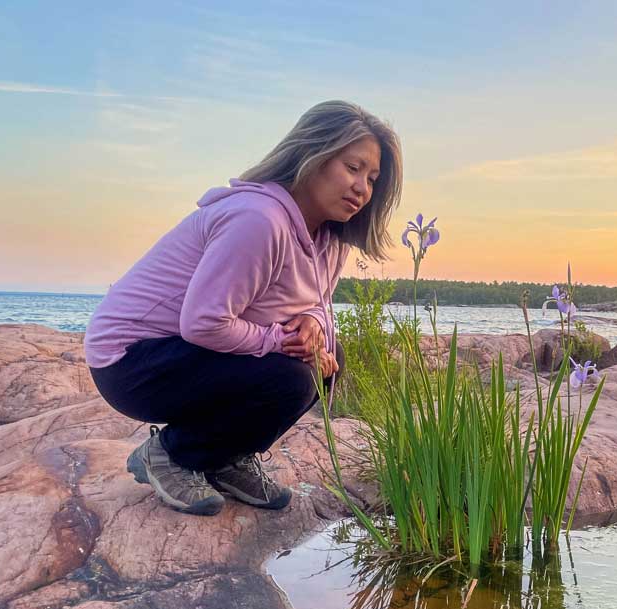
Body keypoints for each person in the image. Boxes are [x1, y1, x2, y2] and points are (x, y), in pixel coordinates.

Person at [84, 101, 402, 516]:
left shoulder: (331, 239)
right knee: (291, 375)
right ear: (313, 156)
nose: (363, 188)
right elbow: (203, 324)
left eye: (373, 178)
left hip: (188, 353)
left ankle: (222, 458)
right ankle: (169, 454)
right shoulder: (258, 219)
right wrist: (279, 340)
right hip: (130, 361)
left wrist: (311, 325)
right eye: (352, 167)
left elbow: (320, 304)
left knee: (328, 359)